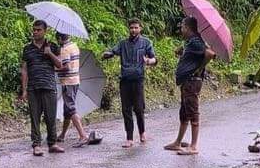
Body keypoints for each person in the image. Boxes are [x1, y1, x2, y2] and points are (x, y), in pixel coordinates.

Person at [164, 16, 215, 156]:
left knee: (193, 111)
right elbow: (193, 55)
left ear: (187, 28)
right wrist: (183, 51)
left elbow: (210, 53)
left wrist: (200, 67)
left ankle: (193, 146)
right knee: (184, 112)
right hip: (186, 81)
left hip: (192, 81)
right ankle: (178, 142)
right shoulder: (190, 42)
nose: (181, 29)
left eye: (182, 27)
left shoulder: (197, 42)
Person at [102, 18, 156, 148]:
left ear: (140, 28)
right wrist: (107, 54)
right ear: (129, 29)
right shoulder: (123, 43)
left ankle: (142, 132)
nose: (133, 30)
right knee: (126, 110)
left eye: (136, 27)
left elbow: (154, 58)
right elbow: (112, 51)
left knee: (139, 108)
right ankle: (129, 138)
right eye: (131, 28)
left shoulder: (146, 43)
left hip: (138, 80)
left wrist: (149, 61)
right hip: (125, 80)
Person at [19, 20, 65, 157]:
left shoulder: (53, 46)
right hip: (33, 87)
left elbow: (60, 65)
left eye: (38, 30)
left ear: (45, 31)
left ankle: (52, 144)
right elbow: (24, 69)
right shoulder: (27, 48)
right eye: (34, 29)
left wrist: (49, 53)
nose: (35, 32)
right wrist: (24, 90)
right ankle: (37, 145)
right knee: (35, 117)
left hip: (49, 86)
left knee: (51, 117)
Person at [56, 32, 89, 147]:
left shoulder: (64, 49)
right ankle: (62, 135)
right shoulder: (74, 46)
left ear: (60, 38)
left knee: (71, 108)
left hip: (68, 81)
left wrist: (56, 68)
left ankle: (82, 135)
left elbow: (66, 66)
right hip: (75, 80)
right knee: (67, 110)